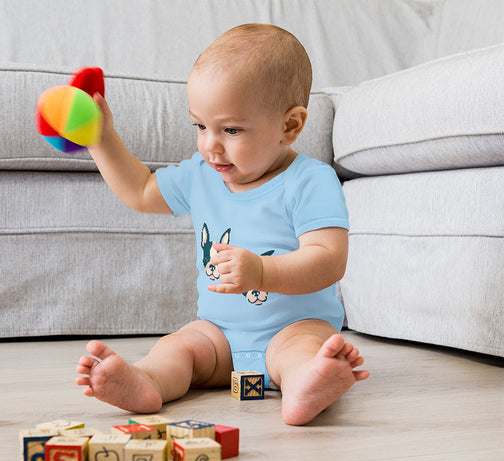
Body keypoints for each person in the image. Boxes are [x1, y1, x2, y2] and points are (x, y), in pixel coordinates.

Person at [75, 23, 369, 425]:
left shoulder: (309, 179)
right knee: (179, 347)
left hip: (295, 327)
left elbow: (330, 259)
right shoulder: (202, 174)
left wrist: (262, 270)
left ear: (290, 125)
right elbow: (142, 190)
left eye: (231, 130)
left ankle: (305, 382)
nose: (210, 145)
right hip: (219, 334)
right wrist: (101, 139)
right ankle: (147, 381)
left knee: (300, 351)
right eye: (200, 126)